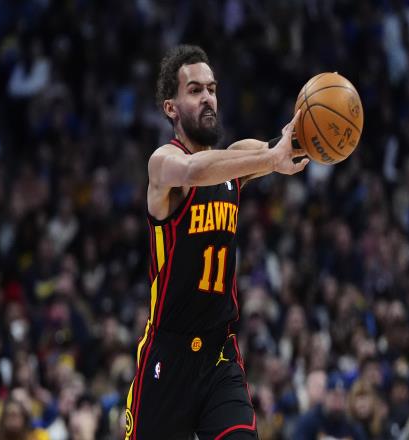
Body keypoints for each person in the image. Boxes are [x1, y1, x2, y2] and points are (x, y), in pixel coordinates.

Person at [124, 45, 309, 440]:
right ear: (171, 108)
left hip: (218, 353)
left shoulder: (233, 161)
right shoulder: (164, 162)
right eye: (195, 90)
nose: (208, 97)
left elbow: (277, 149)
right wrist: (271, 158)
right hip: (167, 355)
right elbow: (194, 170)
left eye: (212, 88)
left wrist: (308, 136)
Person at [293, 373, 366, 440]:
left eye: (342, 396)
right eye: (334, 395)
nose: (338, 400)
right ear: (325, 395)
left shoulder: (351, 422)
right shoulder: (309, 421)